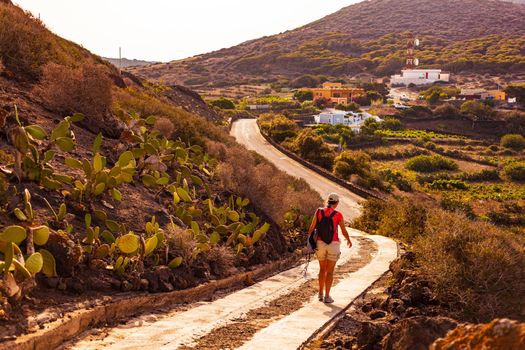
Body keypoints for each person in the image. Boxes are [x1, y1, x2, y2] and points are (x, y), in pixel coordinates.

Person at [307, 193, 352, 304]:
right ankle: (327, 296)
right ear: (336, 203)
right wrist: (348, 240)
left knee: (322, 269)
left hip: (320, 243)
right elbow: (343, 231)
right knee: (330, 271)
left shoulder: (319, 211)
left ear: (328, 201)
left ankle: (320, 294)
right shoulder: (338, 215)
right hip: (333, 244)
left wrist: (310, 241)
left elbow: (312, 228)